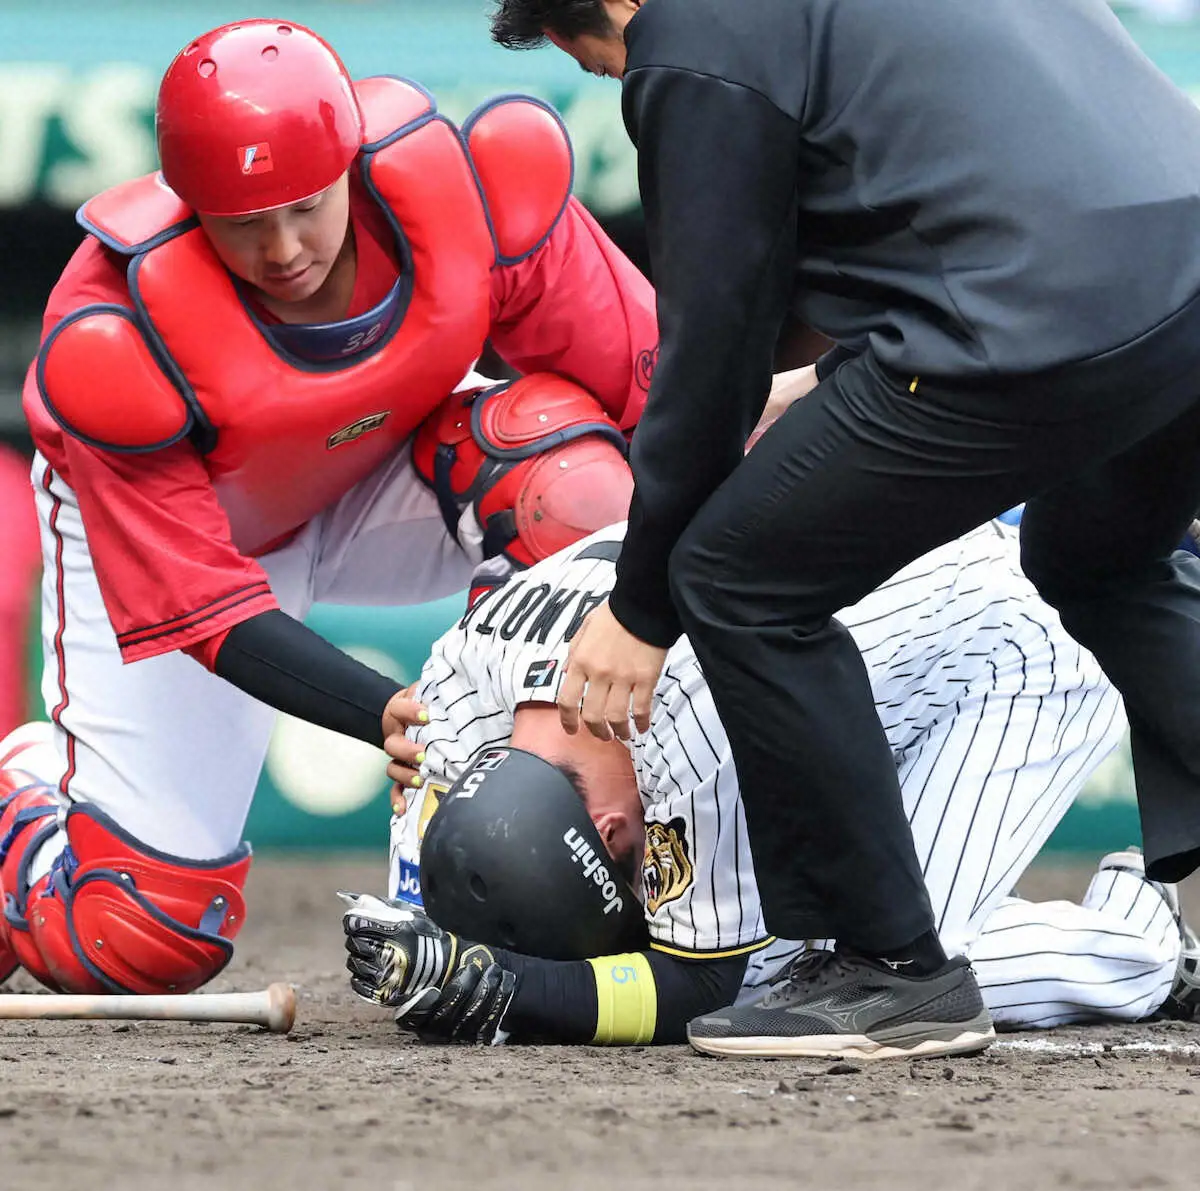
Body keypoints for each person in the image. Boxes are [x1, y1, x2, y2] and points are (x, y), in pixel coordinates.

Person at [483, 0, 1200, 1057]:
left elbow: (714, 343)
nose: (624, 73)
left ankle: (890, 970)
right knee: (1101, 561)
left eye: (600, 60)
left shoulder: (693, 37)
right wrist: (824, 378)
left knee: (733, 575)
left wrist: (641, 607)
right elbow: (991, 169)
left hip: (1038, 315)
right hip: (1179, 268)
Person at [0, 17, 655, 997]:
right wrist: (375, 710)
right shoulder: (114, 336)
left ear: (348, 162)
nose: (280, 249)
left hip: (378, 478)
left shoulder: (475, 195)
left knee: (575, 484)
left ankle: (557, 834)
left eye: (305, 205)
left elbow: (654, 405)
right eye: (239, 219)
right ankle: (28, 786)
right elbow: (213, 613)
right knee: (140, 937)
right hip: (210, 546)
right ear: (187, 204)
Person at [341, 516, 1200, 1052]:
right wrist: (423, 947)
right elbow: (445, 877)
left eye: (629, 869)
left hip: (1014, 645)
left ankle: (1143, 943)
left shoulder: (678, 719)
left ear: (608, 833)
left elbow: (698, 985)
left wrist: (508, 989)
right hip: (861, 648)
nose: (641, 876)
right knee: (800, 952)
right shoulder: (454, 686)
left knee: (883, 973)